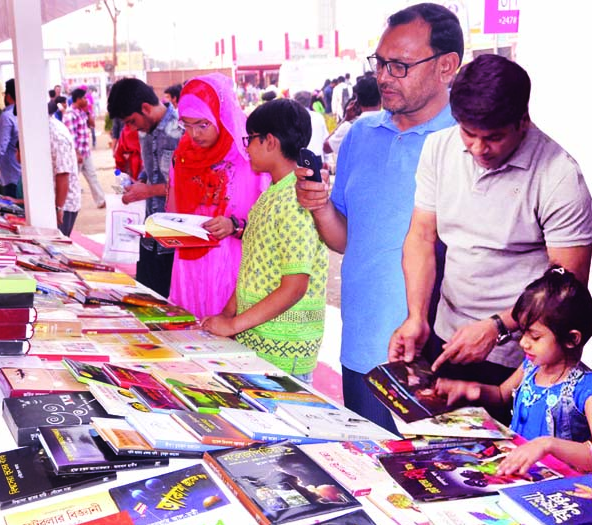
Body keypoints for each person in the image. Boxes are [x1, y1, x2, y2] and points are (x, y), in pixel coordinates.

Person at [388, 54, 592, 422]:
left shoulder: (559, 176)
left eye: (494, 138)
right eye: (469, 134)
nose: (480, 149)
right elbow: (420, 236)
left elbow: (568, 289)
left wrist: (497, 328)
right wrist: (416, 316)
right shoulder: (438, 149)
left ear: (523, 121)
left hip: (518, 360)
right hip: (446, 337)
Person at [295, 2, 463, 431]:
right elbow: (347, 239)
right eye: (380, 63)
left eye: (399, 66)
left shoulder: (466, 143)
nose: (383, 77)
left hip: (434, 361)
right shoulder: (360, 136)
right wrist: (318, 205)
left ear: (447, 67)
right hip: (360, 347)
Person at [202, 99, 328, 381]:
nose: (246, 148)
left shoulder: (297, 199)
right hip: (259, 339)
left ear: (270, 141)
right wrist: (227, 315)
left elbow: (294, 287)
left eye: (250, 139)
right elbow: (254, 266)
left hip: (283, 348)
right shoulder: (274, 193)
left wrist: (233, 324)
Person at [437, 267, 592, 475]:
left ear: (572, 339)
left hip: (557, 490)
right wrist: (473, 390)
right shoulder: (531, 366)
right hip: (517, 473)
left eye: (535, 337)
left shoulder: (585, 389)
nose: (524, 343)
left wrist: (547, 444)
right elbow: (502, 394)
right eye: (522, 332)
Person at [167, 73, 269, 320]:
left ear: (221, 116)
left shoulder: (249, 157)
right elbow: (172, 210)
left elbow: (270, 221)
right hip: (190, 264)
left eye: (203, 124)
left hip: (234, 262)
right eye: (187, 125)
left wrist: (234, 225)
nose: (194, 135)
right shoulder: (184, 156)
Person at [107, 78, 183, 297]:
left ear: (146, 108)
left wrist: (149, 190)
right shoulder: (144, 133)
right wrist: (136, 184)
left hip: (174, 240)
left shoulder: (181, 132)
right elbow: (150, 173)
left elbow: (188, 187)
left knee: (170, 310)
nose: (132, 128)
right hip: (148, 236)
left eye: (131, 121)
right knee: (144, 301)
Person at [65, 87, 106, 208]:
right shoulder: (70, 115)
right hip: (76, 153)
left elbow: (92, 125)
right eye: (84, 98)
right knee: (73, 179)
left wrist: (88, 111)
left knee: (92, 175)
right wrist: (76, 153)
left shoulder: (82, 112)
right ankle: (69, 204)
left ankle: (101, 200)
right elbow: (71, 137)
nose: (86, 99)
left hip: (85, 152)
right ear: (78, 99)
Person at [324, 77, 381, 155]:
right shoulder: (394, 123)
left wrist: (345, 119)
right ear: (381, 97)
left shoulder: (349, 128)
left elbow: (325, 147)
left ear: (356, 100)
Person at [48, 103, 82, 236]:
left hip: (64, 204)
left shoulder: (55, 134)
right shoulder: (49, 129)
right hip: (58, 201)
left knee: (56, 248)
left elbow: (63, 174)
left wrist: (58, 207)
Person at [292, 90, 329, 157]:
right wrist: (327, 159)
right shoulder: (318, 117)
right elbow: (325, 139)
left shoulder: (292, 117)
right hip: (316, 157)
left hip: (297, 159)